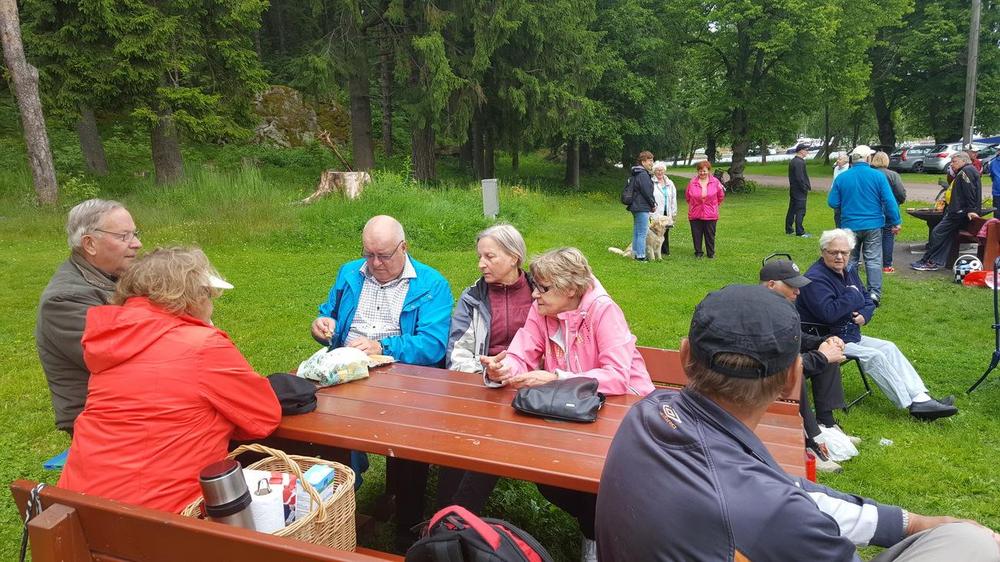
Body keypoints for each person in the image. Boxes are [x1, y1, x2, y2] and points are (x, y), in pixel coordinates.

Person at [596, 284, 1000, 562]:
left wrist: (905, 523)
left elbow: (782, 491)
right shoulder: (770, 512)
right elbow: (777, 504)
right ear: (794, 376)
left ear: (685, 357)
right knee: (976, 544)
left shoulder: (648, 413)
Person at [58, 247, 281, 513]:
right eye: (209, 294)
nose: (211, 302)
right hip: (159, 518)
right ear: (194, 296)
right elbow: (264, 418)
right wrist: (216, 420)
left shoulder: (109, 340)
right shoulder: (202, 345)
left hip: (76, 508)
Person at [480, 247, 654, 562]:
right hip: (571, 410)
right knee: (548, 475)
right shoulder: (541, 310)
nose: (534, 294)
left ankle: (599, 539)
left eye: (543, 288)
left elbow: (617, 376)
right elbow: (521, 352)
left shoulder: (603, 311)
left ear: (571, 289)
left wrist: (555, 378)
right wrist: (503, 369)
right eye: (535, 286)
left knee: (597, 477)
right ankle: (599, 530)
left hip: (623, 409)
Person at [310, 214, 453, 550]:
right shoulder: (350, 273)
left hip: (403, 376)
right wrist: (322, 324)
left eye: (384, 256)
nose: (374, 264)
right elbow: (329, 311)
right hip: (346, 370)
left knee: (408, 434)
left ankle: (407, 521)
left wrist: (383, 347)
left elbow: (433, 344)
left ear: (404, 248)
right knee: (316, 424)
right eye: (368, 254)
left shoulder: (431, 284)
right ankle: (340, 495)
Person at [798, 229, 957, 421]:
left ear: (850, 252)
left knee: (889, 347)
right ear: (823, 252)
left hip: (849, 333)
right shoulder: (816, 279)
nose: (839, 257)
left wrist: (864, 315)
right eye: (834, 252)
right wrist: (852, 295)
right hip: (828, 339)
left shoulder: (848, 271)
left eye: (844, 252)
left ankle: (921, 397)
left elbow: (867, 298)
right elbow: (829, 313)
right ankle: (912, 405)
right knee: (874, 356)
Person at [437, 224, 535, 513]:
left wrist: (518, 375)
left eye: (490, 256)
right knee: (462, 440)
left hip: (529, 387)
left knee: (489, 441)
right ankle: (449, 518)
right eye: (480, 256)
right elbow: (457, 355)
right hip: (483, 387)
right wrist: (488, 375)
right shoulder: (473, 297)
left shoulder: (539, 294)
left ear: (514, 257)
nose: (481, 264)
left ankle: (449, 521)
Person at [35, 199, 143, 436]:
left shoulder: (114, 276)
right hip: (102, 420)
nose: (137, 243)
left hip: (132, 402)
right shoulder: (64, 300)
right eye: (124, 236)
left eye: (135, 234)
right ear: (90, 244)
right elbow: (122, 359)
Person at [759, 259, 851, 473]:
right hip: (755, 374)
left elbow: (794, 337)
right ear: (771, 284)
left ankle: (826, 424)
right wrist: (821, 356)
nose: (798, 292)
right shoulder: (759, 312)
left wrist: (823, 342)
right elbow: (776, 363)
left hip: (775, 366)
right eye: (792, 286)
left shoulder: (779, 305)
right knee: (796, 374)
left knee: (826, 355)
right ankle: (811, 442)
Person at [827, 145, 902, 304]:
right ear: (868, 158)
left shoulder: (842, 177)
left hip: (849, 225)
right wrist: (896, 221)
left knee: (850, 260)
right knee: (873, 259)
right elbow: (889, 201)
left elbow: (832, 202)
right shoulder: (878, 176)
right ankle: (874, 293)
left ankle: (851, 289)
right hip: (873, 225)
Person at [912, 152, 983, 272]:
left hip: (958, 213)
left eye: (954, 161)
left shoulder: (966, 171)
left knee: (937, 233)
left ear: (963, 160)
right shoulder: (966, 171)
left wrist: (971, 210)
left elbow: (970, 192)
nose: (952, 164)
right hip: (958, 211)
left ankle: (930, 261)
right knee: (945, 236)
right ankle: (932, 261)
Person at [871, 151, 907, 273]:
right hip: (889, 209)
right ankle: (887, 265)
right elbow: (900, 192)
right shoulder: (893, 175)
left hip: (873, 209)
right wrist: (899, 201)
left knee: (873, 237)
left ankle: (872, 263)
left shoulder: (870, 174)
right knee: (888, 236)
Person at [686, 160, 725, 258]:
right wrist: (695, 205)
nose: (702, 173)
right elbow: (688, 197)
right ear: (697, 171)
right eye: (700, 171)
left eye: (704, 171)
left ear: (708, 171)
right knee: (696, 234)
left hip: (711, 213)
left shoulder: (715, 182)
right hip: (695, 213)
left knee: (710, 235)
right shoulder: (692, 182)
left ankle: (711, 253)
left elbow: (720, 196)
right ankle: (698, 252)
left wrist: (713, 205)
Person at [626, 151, 657, 261]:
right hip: (641, 206)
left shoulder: (636, 172)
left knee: (637, 231)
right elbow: (647, 192)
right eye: (650, 160)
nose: (652, 163)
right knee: (642, 233)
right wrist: (653, 204)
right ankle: (640, 256)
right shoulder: (643, 174)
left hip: (635, 206)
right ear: (643, 162)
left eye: (652, 160)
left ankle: (634, 254)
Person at [651, 161, 677, 255]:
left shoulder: (670, 183)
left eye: (661, 170)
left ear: (664, 171)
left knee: (665, 230)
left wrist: (674, 212)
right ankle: (653, 249)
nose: (660, 172)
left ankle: (665, 250)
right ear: (654, 171)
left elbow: (673, 198)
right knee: (655, 230)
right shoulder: (651, 182)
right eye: (657, 170)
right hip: (656, 211)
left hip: (667, 211)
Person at [787, 142, 812, 237]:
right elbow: (800, 177)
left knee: (792, 209)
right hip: (799, 190)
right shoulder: (799, 162)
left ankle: (789, 229)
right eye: (806, 150)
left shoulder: (794, 161)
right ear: (801, 151)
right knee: (800, 210)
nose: (807, 152)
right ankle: (800, 231)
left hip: (794, 189)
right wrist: (804, 188)